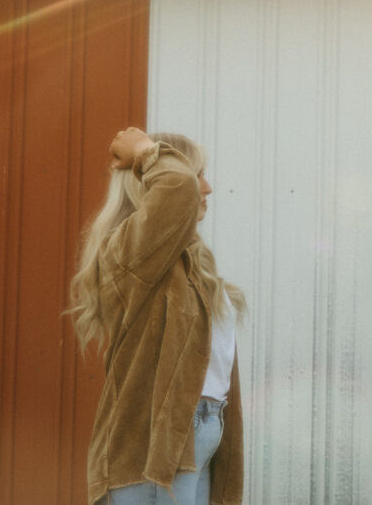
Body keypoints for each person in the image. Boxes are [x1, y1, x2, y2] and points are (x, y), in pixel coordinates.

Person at [68, 127, 246, 505]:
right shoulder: (131, 253)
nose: (207, 188)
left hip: (196, 435)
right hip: (153, 448)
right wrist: (147, 152)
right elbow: (177, 188)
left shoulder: (187, 265)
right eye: (198, 174)